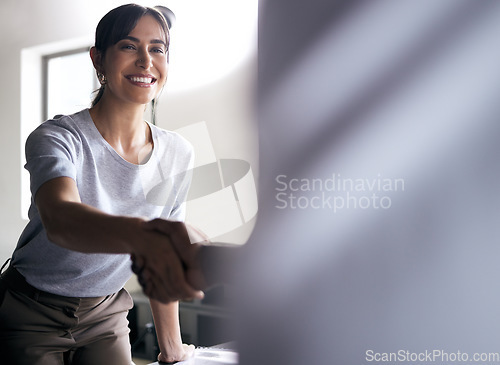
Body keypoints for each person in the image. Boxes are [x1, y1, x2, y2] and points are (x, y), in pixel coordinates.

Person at [0, 4, 203, 364]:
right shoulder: (58, 137)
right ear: (98, 59)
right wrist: (147, 235)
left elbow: (159, 261)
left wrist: (171, 349)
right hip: (30, 311)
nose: (145, 60)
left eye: (157, 49)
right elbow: (62, 219)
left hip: (106, 314)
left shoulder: (178, 152)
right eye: (129, 46)